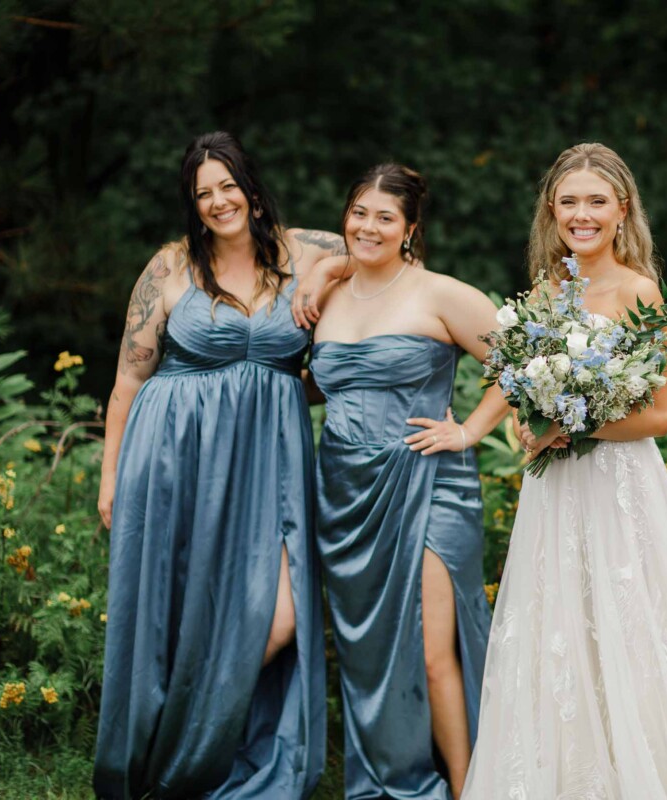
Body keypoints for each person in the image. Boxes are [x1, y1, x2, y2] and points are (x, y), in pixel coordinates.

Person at [461, 143, 667, 799]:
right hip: (556, 491)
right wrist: (529, 420)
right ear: (551, 211)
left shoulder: (640, 291)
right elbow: (522, 386)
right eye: (569, 202)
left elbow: (658, 416)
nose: (581, 214)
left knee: (636, 632)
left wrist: (571, 424)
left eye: (596, 201)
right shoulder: (543, 291)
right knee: (559, 633)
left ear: (622, 209)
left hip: (620, 489)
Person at [94, 131, 342, 798]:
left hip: (271, 457)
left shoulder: (305, 252)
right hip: (175, 452)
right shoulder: (170, 268)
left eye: (228, 186)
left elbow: (381, 243)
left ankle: (193, 729)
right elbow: (127, 381)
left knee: (284, 610)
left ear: (252, 190)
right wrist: (110, 476)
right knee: (176, 608)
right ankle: (170, 751)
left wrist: (320, 276)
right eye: (203, 193)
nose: (218, 201)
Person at [304, 163, 510, 799]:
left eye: (385, 217)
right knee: (371, 654)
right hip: (345, 492)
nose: (369, 227)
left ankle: (470, 786)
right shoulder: (327, 297)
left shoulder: (442, 294)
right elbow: (317, 385)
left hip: (427, 483)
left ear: (410, 228)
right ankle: (399, 773)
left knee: (432, 650)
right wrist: (320, 269)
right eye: (359, 213)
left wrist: (470, 431)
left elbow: (524, 364)